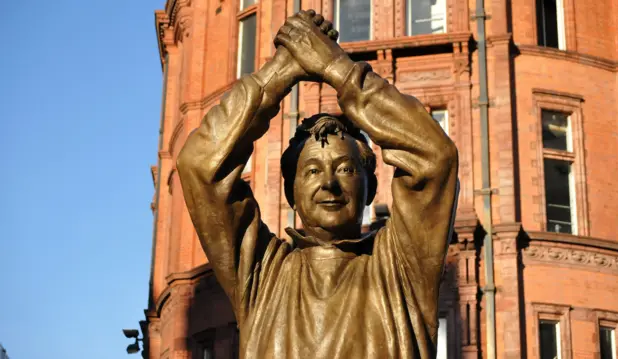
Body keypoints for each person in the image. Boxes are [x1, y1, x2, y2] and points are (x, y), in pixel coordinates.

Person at [176, 9, 459, 359]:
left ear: (369, 187)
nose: (329, 184)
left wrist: (336, 69)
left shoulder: (402, 267)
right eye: (311, 171)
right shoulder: (262, 275)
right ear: (290, 193)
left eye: (345, 169)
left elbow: (435, 157)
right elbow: (200, 165)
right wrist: (281, 72)